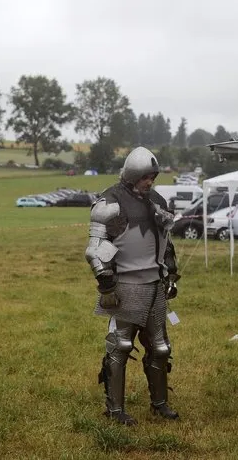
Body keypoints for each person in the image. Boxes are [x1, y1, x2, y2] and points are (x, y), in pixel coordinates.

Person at [85, 146, 181, 426]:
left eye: (152, 177)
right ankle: (115, 409)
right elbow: (95, 249)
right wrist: (106, 283)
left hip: (155, 285)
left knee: (161, 348)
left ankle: (160, 403)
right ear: (131, 176)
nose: (149, 182)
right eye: (144, 177)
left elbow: (166, 244)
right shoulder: (110, 203)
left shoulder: (158, 201)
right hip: (125, 285)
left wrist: (170, 275)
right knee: (120, 346)